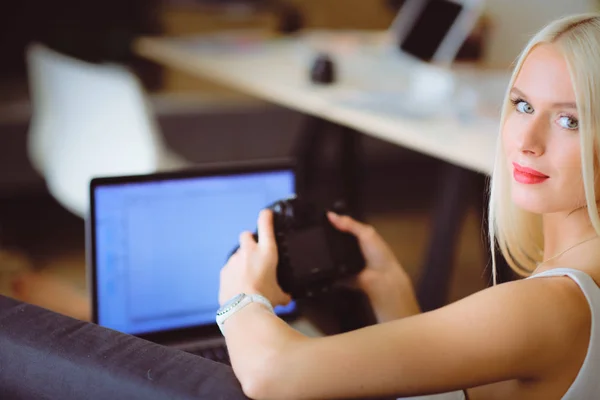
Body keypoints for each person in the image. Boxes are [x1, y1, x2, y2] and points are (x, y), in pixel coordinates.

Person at [218, 12, 600, 400]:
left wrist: (240, 297)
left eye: (569, 120)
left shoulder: (543, 308)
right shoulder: (566, 295)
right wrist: (390, 288)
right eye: (522, 105)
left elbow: (273, 374)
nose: (527, 140)